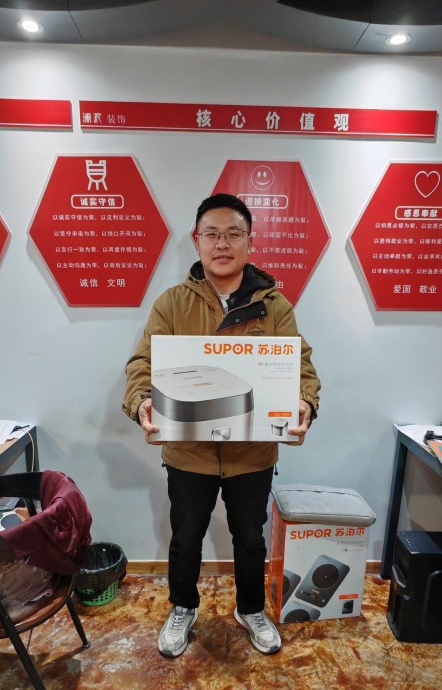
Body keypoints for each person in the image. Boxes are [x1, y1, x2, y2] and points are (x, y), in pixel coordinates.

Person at [123, 192, 320, 658]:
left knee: (250, 539)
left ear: (251, 241)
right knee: (185, 537)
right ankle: (182, 607)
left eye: (234, 234)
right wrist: (142, 402)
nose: (222, 243)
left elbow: (301, 366)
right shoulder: (172, 304)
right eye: (212, 234)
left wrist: (304, 402)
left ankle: (251, 609)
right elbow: (142, 364)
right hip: (188, 451)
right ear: (197, 241)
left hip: (252, 452)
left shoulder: (275, 306)